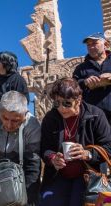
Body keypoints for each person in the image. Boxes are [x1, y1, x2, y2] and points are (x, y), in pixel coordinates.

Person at [40, 77, 111, 206]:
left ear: (78, 100)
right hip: (59, 176)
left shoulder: (96, 115)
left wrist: (88, 154)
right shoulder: (50, 118)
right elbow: (44, 148)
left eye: (67, 103)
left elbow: (109, 147)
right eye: (57, 103)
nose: (61, 108)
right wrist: (52, 158)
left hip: (89, 176)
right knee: (47, 201)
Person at [73, 32, 111, 124]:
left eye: (94, 43)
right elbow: (73, 87)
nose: (91, 47)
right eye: (88, 45)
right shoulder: (81, 68)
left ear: (105, 44)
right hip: (92, 118)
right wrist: (85, 82)